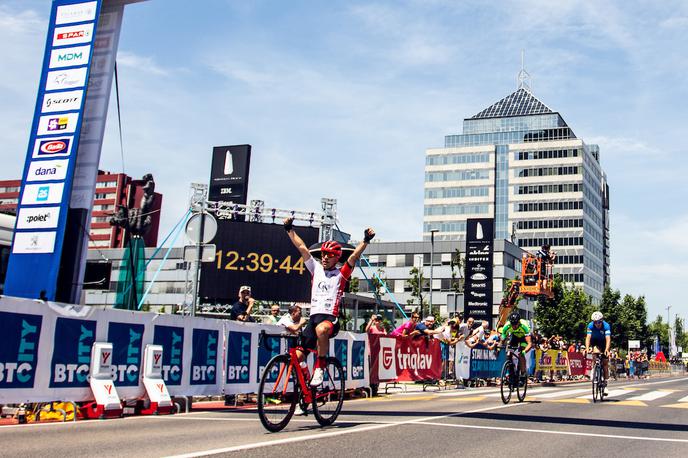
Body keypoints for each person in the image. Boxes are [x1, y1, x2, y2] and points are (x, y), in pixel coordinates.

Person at [284, 217, 374, 386]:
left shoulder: (341, 274)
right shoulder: (315, 269)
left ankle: (320, 366)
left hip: (330, 319)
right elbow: (302, 247)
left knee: (321, 329)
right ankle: (306, 394)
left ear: (336, 258)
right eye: (324, 254)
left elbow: (354, 256)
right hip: (313, 318)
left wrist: (365, 240)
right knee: (296, 359)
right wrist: (289, 229)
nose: (325, 258)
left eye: (329, 255)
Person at [584, 311, 611, 395]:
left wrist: (607, 349)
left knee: (605, 363)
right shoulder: (590, 325)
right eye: (595, 322)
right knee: (595, 353)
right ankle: (594, 368)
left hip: (603, 342)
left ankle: (605, 384)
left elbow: (608, 339)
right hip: (595, 341)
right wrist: (587, 348)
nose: (597, 324)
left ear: (602, 320)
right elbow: (588, 338)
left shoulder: (606, 326)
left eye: (599, 322)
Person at [500, 312, 533, 377]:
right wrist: (500, 346)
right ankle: (511, 371)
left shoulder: (524, 326)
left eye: (515, 324)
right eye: (512, 324)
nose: (514, 326)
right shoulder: (507, 326)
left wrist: (524, 352)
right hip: (514, 337)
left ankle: (523, 374)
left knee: (521, 354)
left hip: (523, 338)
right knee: (509, 353)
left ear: (519, 322)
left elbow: (530, 343)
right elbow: (502, 339)